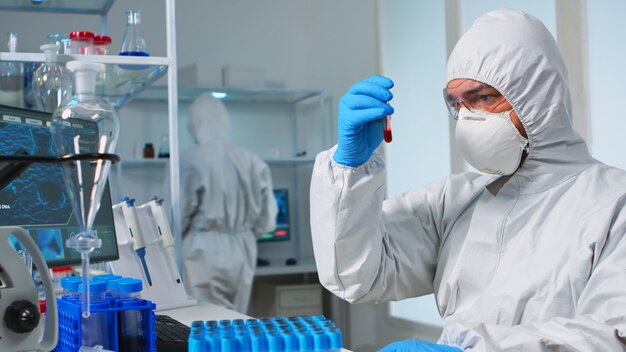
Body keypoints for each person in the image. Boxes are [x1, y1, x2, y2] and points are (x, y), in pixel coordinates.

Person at [310, 8, 626, 351]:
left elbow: (610, 335)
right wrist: (350, 170)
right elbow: (359, 275)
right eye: (457, 104)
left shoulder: (613, 205)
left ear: (538, 97)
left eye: (483, 98)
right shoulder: (456, 201)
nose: (466, 119)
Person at [178, 93, 277, 314]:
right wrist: (241, 232)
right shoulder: (252, 161)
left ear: (196, 124)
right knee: (237, 321)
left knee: (204, 323)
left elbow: (176, 217)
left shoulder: (188, 160)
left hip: (202, 251)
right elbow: (267, 221)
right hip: (243, 247)